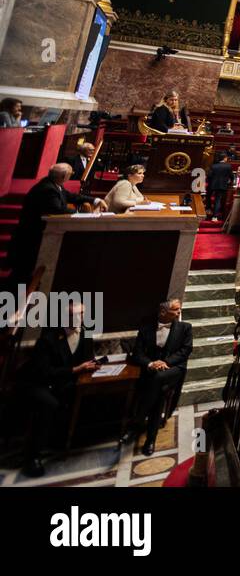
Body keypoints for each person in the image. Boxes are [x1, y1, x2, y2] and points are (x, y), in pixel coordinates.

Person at [17, 302, 98, 476]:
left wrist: (93, 365)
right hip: (38, 383)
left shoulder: (85, 333)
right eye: (74, 314)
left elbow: (88, 358)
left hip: (64, 381)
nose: (80, 318)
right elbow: (44, 372)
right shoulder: (49, 339)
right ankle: (32, 457)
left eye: (82, 313)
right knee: (49, 404)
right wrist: (76, 370)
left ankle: (61, 441)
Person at [4, 164, 105, 293]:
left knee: (24, 272)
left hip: (35, 234)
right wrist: (85, 214)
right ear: (64, 176)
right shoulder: (48, 189)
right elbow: (58, 209)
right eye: (70, 174)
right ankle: (11, 302)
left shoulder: (54, 184)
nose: (72, 175)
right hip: (30, 236)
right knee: (22, 272)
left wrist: (95, 200)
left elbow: (71, 196)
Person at [123, 299, 192, 455]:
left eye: (179, 309)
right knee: (159, 392)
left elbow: (185, 351)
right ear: (163, 312)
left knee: (157, 380)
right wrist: (150, 364)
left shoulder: (185, 328)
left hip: (174, 369)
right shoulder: (146, 329)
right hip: (153, 371)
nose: (179, 312)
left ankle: (137, 423)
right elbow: (137, 354)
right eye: (175, 310)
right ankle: (150, 440)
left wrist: (165, 362)